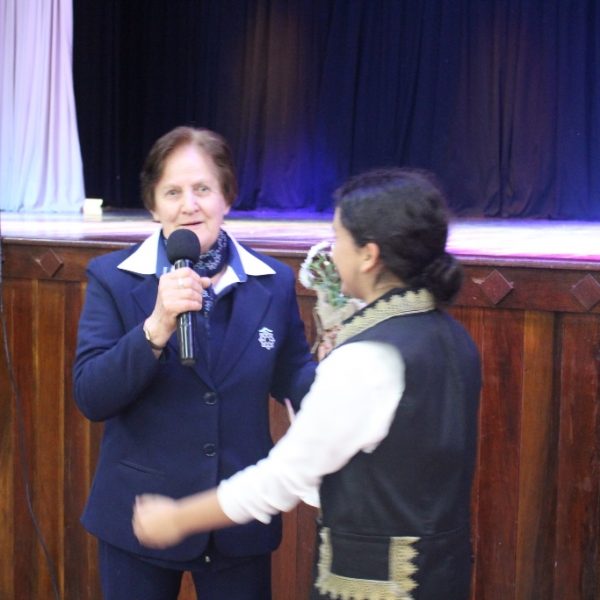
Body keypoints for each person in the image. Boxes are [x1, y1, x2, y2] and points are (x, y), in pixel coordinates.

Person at [132, 167, 482, 599]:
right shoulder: (454, 338)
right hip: (442, 575)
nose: (332, 253)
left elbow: (284, 477)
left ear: (369, 255)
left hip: (372, 586)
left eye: (337, 238)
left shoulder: (368, 357)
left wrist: (179, 518)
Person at [73, 126, 316, 600]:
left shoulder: (273, 282)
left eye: (203, 188)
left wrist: (335, 371)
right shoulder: (114, 279)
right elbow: (92, 397)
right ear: (153, 205)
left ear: (227, 195)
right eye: (173, 192)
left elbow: (295, 378)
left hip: (237, 520)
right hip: (139, 521)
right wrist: (155, 328)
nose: (190, 205)